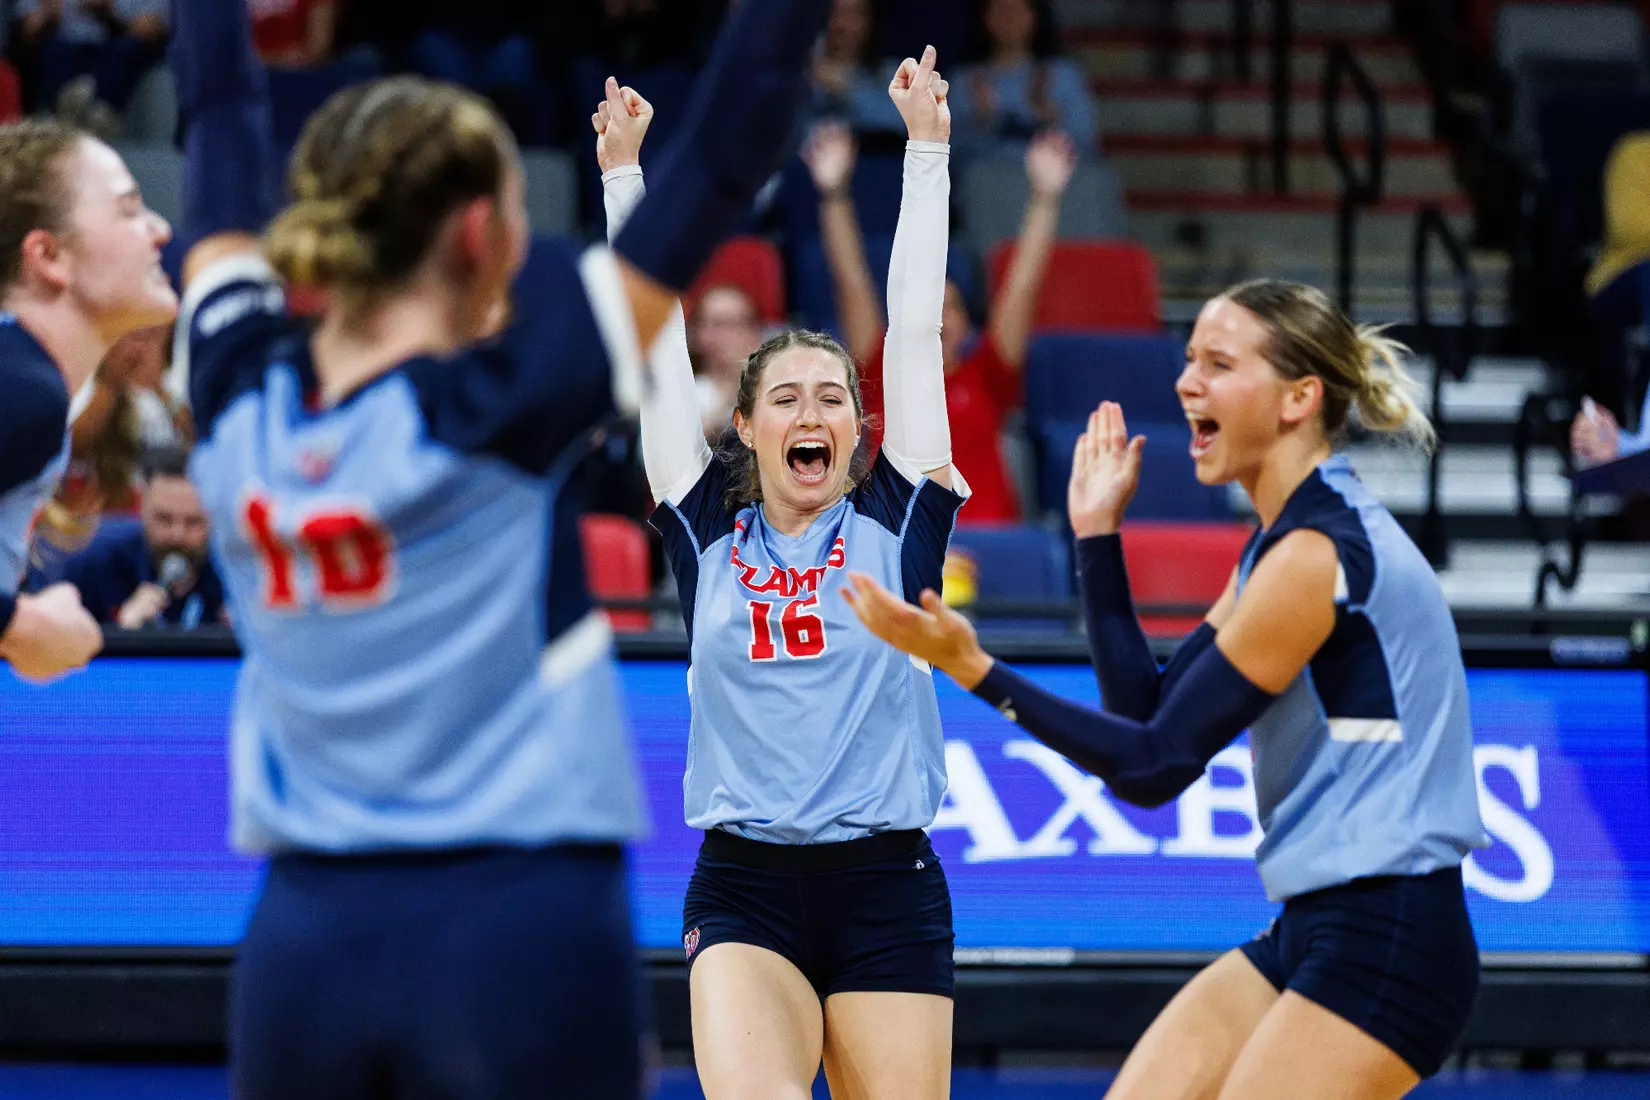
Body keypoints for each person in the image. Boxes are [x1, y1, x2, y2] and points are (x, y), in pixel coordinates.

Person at [165, 0, 833, 1094]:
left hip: (303, 938)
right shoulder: (512, 396)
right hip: (517, 924)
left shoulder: (233, 380)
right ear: (482, 236)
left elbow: (222, 120)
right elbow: (730, 143)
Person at [845, 280, 1487, 1099]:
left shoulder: (1314, 555)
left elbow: (1154, 767)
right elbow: (1146, 714)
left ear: (1300, 398)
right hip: (1316, 925)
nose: (1187, 383)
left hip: (1391, 935)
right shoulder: (1277, 549)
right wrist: (1097, 536)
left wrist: (977, 671)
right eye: (1188, 361)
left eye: (1219, 364)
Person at [597, 46, 966, 1100]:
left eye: (833, 396)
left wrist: (927, 150)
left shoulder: (898, 516)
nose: (813, 412)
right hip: (745, 883)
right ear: (748, 426)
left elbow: (911, 329)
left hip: (888, 883)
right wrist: (625, 173)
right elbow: (654, 349)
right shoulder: (706, 527)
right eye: (788, 397)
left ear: (859, 427)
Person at [807, 119, 1076, 521]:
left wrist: (1045, 198)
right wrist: (833, 194)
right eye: (924, 303)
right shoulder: (881, 374)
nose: (935, 313)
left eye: (948, 304)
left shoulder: (988, 374)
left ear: (967, 325)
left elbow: (1022, 288)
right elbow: (851, 281)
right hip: (900, 548)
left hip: (992, 554)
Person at [0, 116, 176, 682]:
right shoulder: (25, 391)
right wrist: (18, 625)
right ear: (49, 256)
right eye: (128, 210)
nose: (161, 229)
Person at [61, 444, 225, 629]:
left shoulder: (236, 568)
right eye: (164, 519)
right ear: (142, 509)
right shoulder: (91, 562)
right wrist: (122, 634)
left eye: (193, 522)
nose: (177, 535)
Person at [951, 0, 1098, 157]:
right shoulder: (964, 80)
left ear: (1035, 16)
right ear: (984, 17)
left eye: (1018, 10)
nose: (1009, 18)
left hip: (1056, 175)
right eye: (1000, 10)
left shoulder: (1062, 74)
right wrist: (982, 121)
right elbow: (946, 151)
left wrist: (1050, 121)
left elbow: (1086, 144)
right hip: (985, 174)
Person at [13, 0, 169, 121]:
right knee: (54, 50)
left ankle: (97, 108)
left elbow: (150, 29)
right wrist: (48, 13)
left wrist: (110, 10)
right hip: (64, 44)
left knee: (125, 49)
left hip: (116, 44)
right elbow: (29, 29)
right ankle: (64, 111)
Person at [689, 282, 764, 439]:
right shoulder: (688, 393)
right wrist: (735, 382)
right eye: (721, 324)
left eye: (742, 322)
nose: (734, 334)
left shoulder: (775, 386)